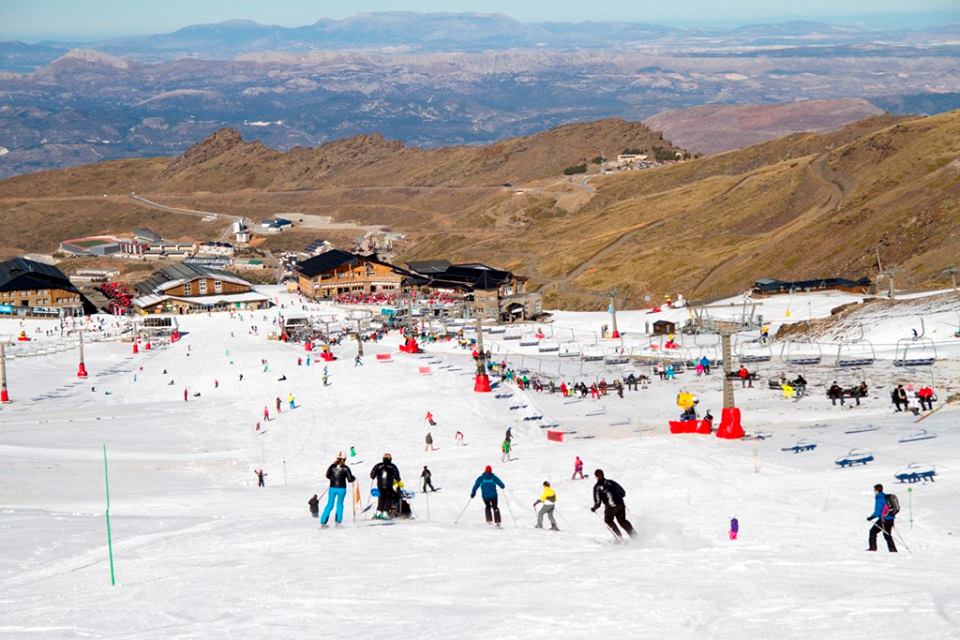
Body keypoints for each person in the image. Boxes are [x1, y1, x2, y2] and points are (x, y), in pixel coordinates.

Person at [591, 469, 635, 540]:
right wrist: (618, 498)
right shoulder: (612, 482)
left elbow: (598, 502)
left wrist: (594, 508)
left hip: (610, 508)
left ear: (596, 476)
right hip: (620, 504)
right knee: (623, 521)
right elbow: (623, 493)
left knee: (608, 521)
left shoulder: (597, 487)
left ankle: (619, 537)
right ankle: (635, 536)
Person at [321, 453, 356, 527]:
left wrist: (333, 479)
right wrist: (353, 478)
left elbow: (327, 476)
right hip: (341, 488)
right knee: (339, 504)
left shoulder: (331, 466)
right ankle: (338, 521)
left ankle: (323, 521)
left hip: (332, 488)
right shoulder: (345, 468)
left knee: (330, 504)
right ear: (345, 459)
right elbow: (350, 479)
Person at [867, 483, 897, 552]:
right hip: (890, 519)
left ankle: (872, 548)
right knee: (887, 534)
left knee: (873, 531)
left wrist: (871, 517)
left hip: (884, 520)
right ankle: (893, 550)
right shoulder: (885, 496)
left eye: (874, 490)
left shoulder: (880, 498)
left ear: (877, 490)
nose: (874, 491)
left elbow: (878, 511)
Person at [370, 454, 401, 519]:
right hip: (389, 485)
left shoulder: (378, 465)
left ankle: (378, 512)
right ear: (390, 459)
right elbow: (397, 477)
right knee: (388, 498)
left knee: (381, 497)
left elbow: (372, 475)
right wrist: (398, 480)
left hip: (380, 485)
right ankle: (385, 512)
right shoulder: (393, 466)